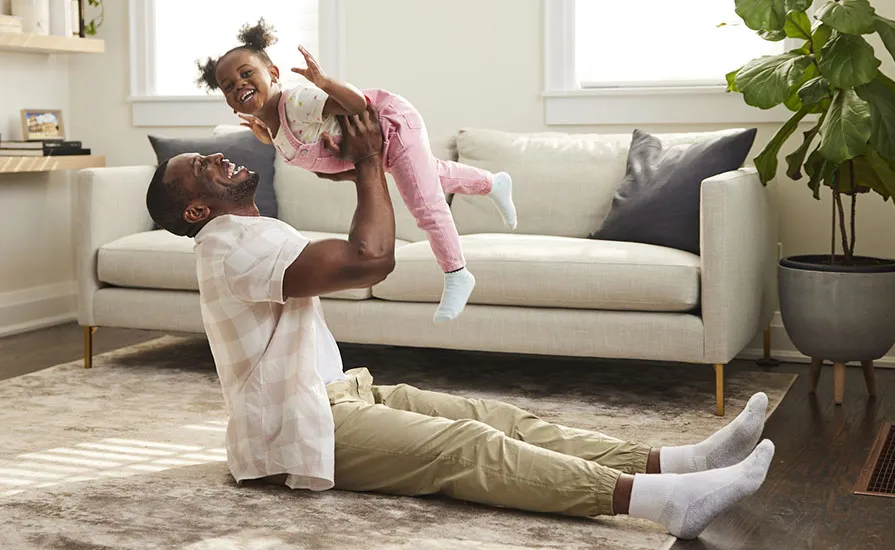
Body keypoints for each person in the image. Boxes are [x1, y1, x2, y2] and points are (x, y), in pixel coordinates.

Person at [144, 105, 775, 541]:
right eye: (201, 167)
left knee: (493, 418)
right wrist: (369, 162)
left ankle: (677, 460)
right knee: (469, 449)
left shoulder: (247, 233)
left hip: (334, 393)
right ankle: (663, 502)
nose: (217, 157)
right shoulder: (230, 244)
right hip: (297, 428)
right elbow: (371, 261)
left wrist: (344, 147)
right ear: (197, 210)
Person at [194, 19, 519, 323]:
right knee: (431, 174)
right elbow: (311, 154)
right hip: (377, 146)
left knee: (424, 202)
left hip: (389, 122)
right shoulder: (273, 129)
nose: (239, 84)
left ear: (273, 73)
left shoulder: (296, 102)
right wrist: (269, 136)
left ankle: (457, 272)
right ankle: (493, 183)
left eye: (246, 73)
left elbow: (358, 106)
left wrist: (324, 83)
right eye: (228, 85)